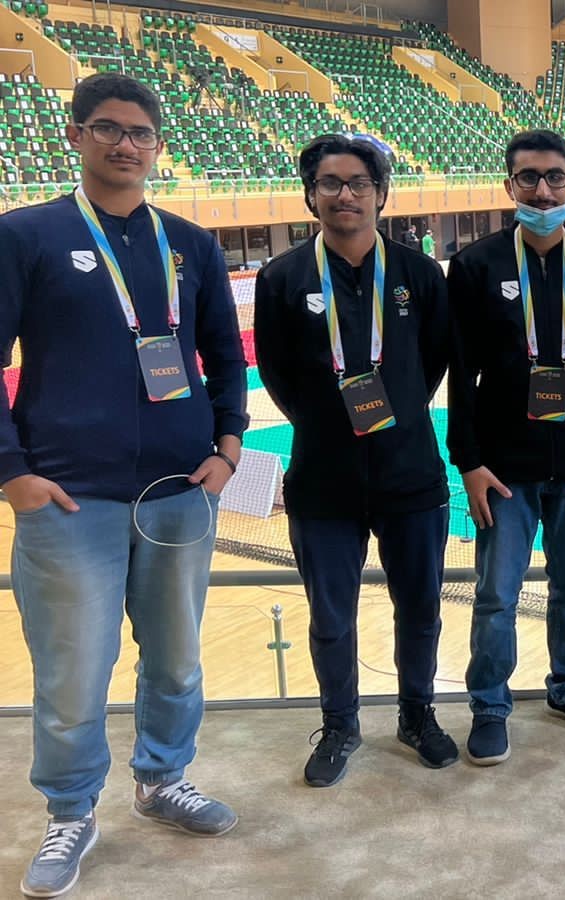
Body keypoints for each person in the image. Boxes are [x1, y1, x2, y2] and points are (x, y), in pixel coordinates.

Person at [0, 72, 247, 897]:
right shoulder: (24, 236)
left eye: (140, 132)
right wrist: (13, 473)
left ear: (158, 146)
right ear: (75, 135)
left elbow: (224, 352)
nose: (125, 144)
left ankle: (162, 778)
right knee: (74, 673)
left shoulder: (190, 243)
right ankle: (71, 810)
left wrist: (228, 447)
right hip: (71, 498)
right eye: (107, 127)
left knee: (176, 660)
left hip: (180, 490)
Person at [254, 134, 456, 788]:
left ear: (380, 194)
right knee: (331, 617)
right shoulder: (282, 278)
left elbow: (433, 361)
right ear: (310, 195)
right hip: (323, 480)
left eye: (359, 183)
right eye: (331, 183)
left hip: (410, 474)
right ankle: (340, 725)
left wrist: (395, 412)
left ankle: (417, 715)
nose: (346, 194)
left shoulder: (419, 275)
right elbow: (277, 373)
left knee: (420, 608)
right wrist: (326, 422)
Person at [446, 130, 565, 765]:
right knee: (496, 596)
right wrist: (470, 462)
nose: (543, 190)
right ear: (510, 186)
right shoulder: (476, 266)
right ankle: (489, 705)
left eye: (555, 177)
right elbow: (461, 376)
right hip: (503, 469)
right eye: (528, 177)